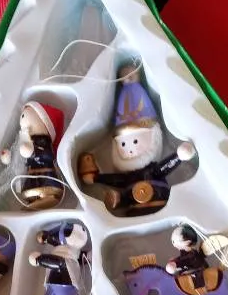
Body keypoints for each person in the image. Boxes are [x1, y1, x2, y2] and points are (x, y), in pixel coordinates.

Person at [77, 62, 195, 213]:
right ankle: (119, 200)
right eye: (123, 144)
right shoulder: (130, 176)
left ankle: (119, 200)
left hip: (157, 203)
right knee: (120, 193)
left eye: (135, 141)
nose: (130, 149)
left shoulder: (151, 171)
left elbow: (164, 167)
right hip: (135, 206)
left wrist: (178, 157)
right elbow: (116, 180)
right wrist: (96, 178)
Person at [24, 221, 93, 295]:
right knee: (66, 293)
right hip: (63, 278)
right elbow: (57, 262)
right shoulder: (63, 255)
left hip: (60, 278)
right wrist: (40, 259)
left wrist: (89, 256)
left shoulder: (71, 253)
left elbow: (79, 258)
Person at [0, 98, 65, 209]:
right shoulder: (25, 139)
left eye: (24, 116)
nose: (22, 119)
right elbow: (19, 157)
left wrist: (33, 151)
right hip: (31, 172)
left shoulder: (44, 141)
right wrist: (9, 156)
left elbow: (48, 155)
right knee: (29, 190)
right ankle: (34, 201)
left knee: (46, 186)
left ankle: (48, 197)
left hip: (44, 172)